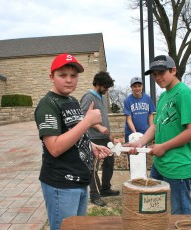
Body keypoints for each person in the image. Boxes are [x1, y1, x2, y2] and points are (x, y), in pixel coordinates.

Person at [34, 53, 111, 230]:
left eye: (73, 75)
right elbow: (54, 147)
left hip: (80, 181)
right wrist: (88, 121)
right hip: (61, 184)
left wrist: (90, 146)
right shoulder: (48, 104)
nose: (69, 80)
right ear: (51, 77)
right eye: (62, 75)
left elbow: (74, 133)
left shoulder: (72, 100)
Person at [127, 55, 191, 214]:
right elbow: (156, 124)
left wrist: (164, 147)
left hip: (178, 166)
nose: (158, 77)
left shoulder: (183, 93)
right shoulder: (164, 96)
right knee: (156, 210)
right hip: (160, 165)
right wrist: (140, 142)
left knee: (180, 216)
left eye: (161, 72)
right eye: (154, 74)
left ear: (173, 70)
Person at [80, 71, 120, 207]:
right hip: (94, 138)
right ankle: (94, 195)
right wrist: (99, 128)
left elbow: (104, 118)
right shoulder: (88, 97)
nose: (106, 90)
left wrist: (110, 134)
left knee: (109, 163)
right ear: (98, 84)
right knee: (93, 168)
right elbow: (84, 118)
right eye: (105, 87)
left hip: (105, 138)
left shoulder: (102, 97)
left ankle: (105, 189)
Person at [123, 77, 156, 168]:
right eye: (135, 86)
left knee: (142, 156)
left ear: (142, 87)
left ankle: (142, 178)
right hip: (131, 133)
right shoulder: (128, 101)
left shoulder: (147, 98)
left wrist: (150, 129)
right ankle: (133, 178)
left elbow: (150, 115)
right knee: (132, 157)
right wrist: (135, 134)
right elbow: (129, 119)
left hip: (144, 133)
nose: (137, 88)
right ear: (131, 88)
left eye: (139, 86)